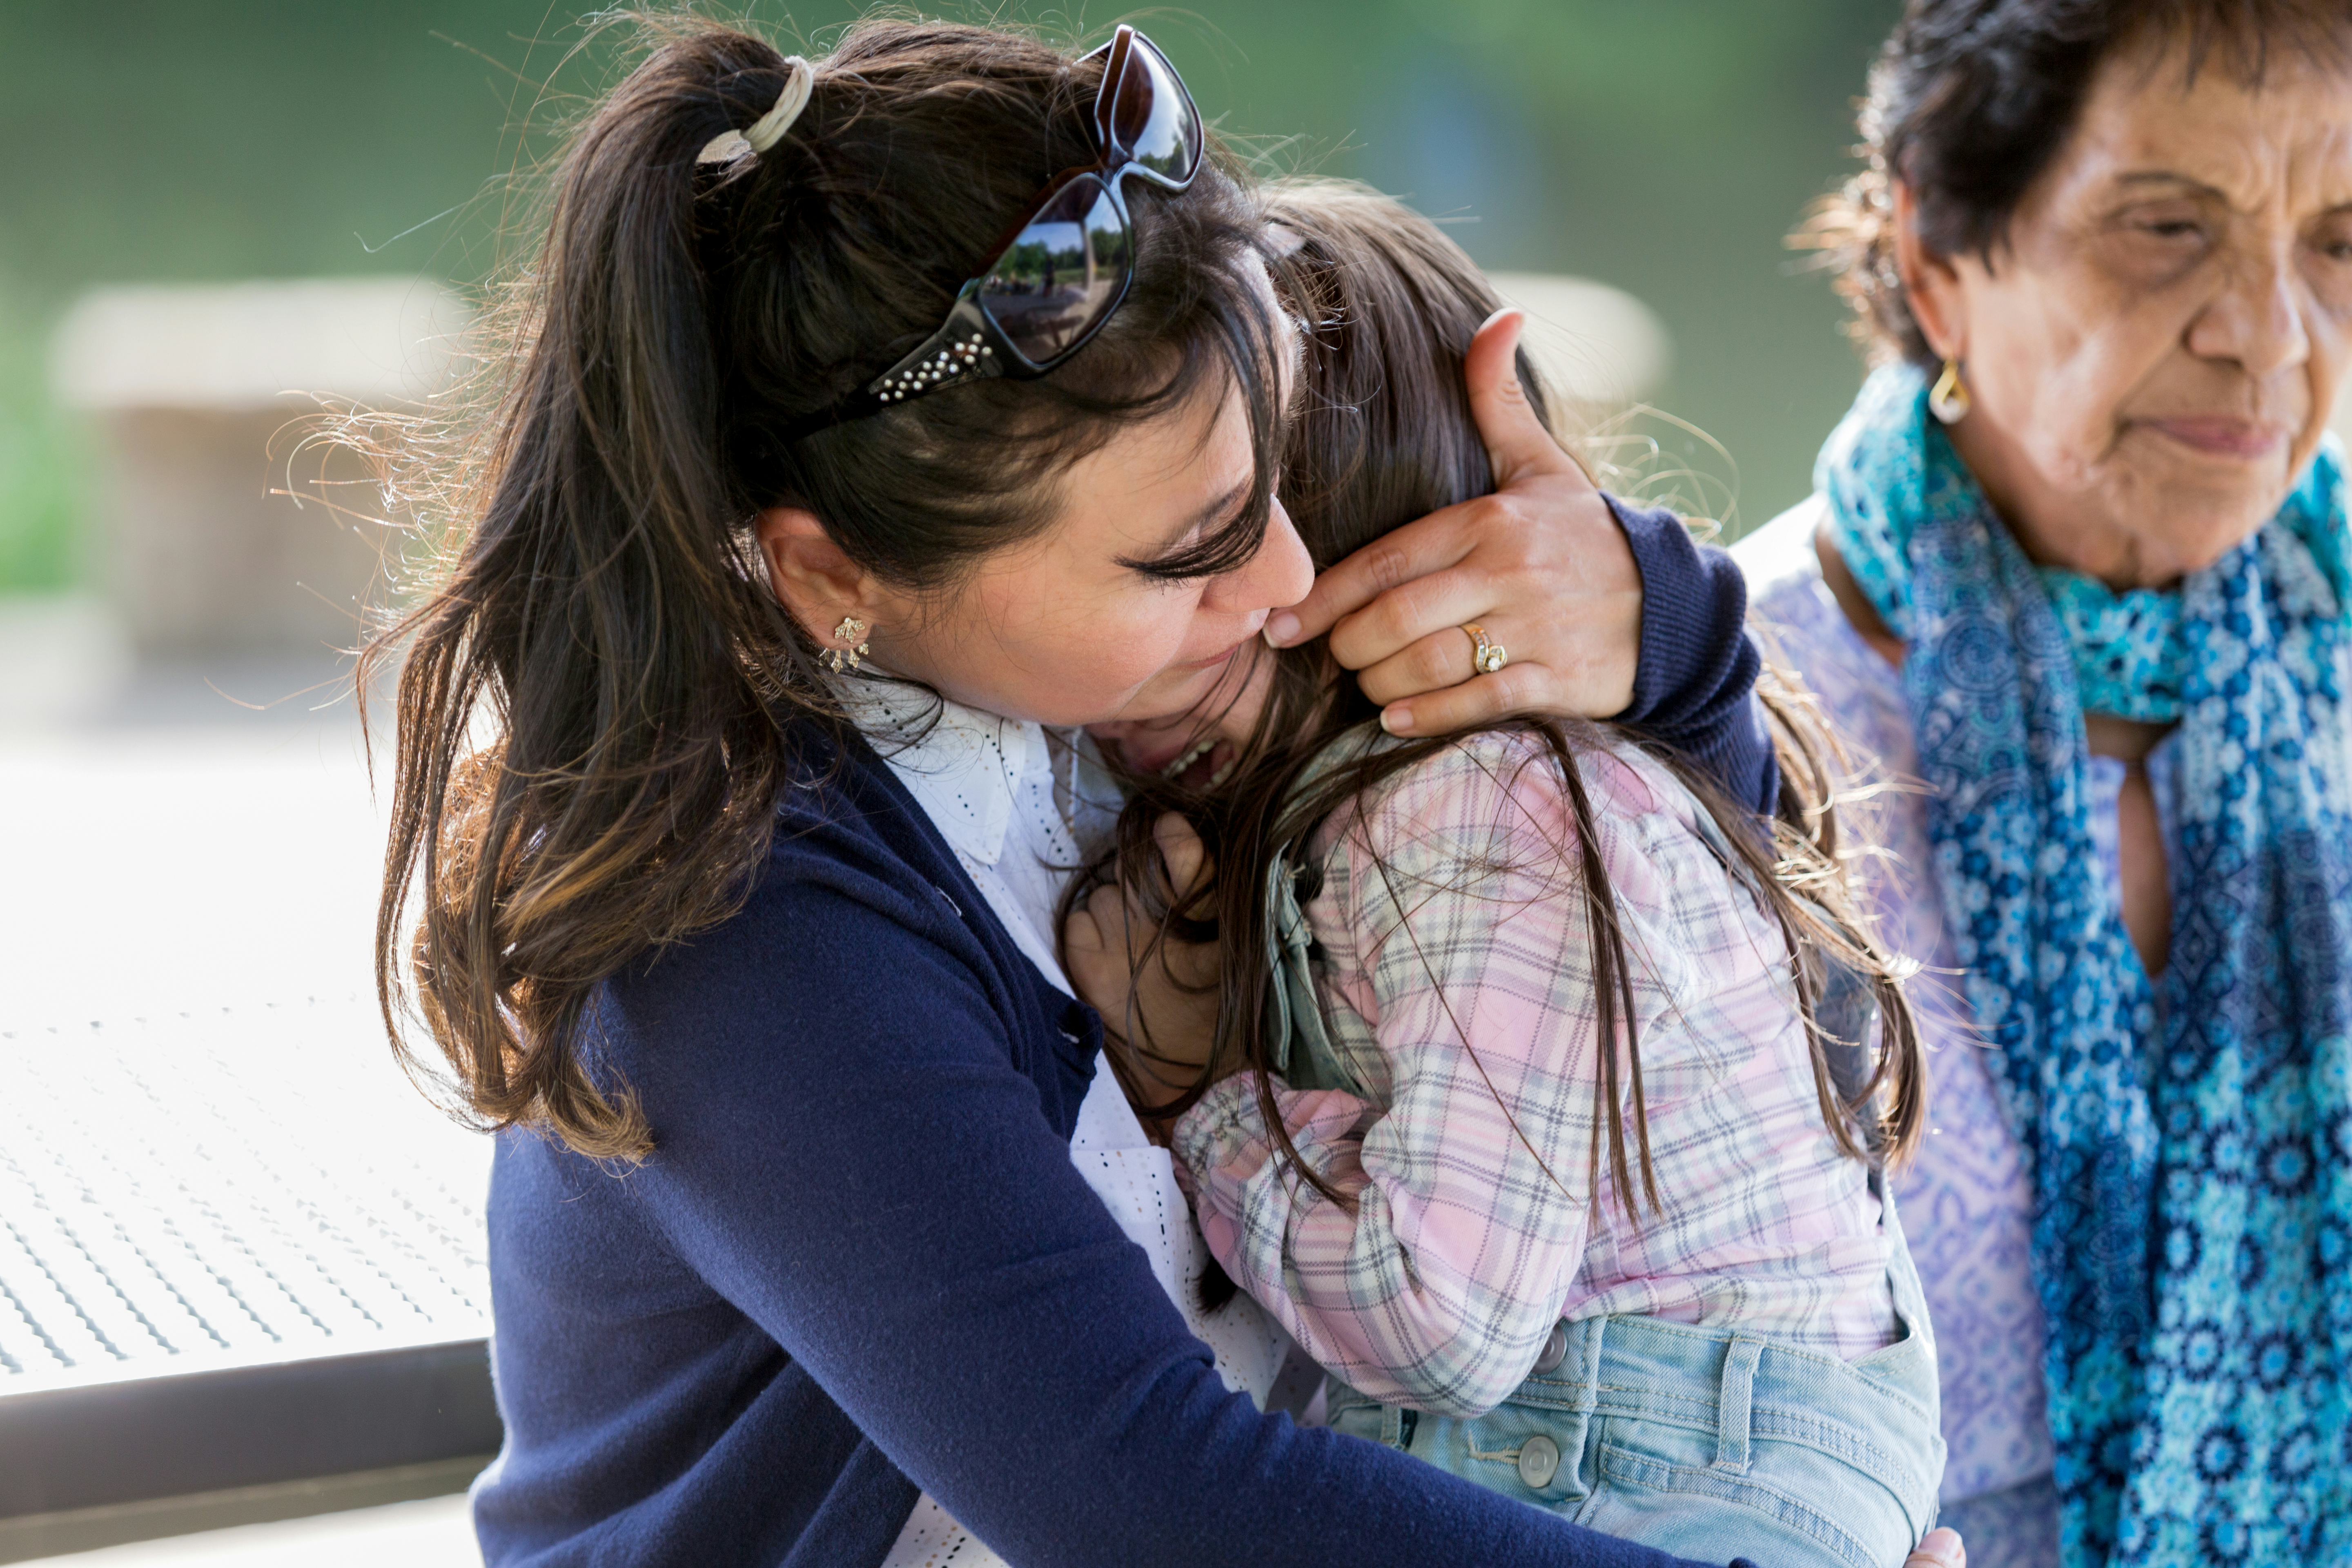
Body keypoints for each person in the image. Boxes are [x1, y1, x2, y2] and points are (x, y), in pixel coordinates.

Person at [365, 17, 1978, 1568]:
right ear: (831, 573)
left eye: (1273, 476)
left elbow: (1773, 1063)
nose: (1287, 576)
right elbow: (1140, 1492)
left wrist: (1656, 634)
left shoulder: (1111, 704)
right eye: (1189, 548)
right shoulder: (741, 930)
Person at [1063, 179, 1944, 1568]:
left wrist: (1199, 1099)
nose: (1140, 637)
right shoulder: (1426, 789)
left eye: (1207, 553)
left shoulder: (1470, 813)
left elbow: (1441, 1323)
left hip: (1667, 1462)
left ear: (1390, 580)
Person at [1737, 3, 2352, 1564]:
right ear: (1937, 260)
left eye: (2343, 240)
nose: (2273, 334)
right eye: (2167, 228)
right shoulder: (1713, 725)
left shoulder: (2332, 639)